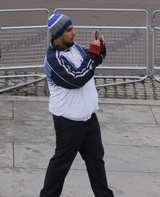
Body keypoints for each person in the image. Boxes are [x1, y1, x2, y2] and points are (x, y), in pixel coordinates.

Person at [40, 13, 113, 197]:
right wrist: (93, 54)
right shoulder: (53, 60)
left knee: (96, 161)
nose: (74, 32)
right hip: (69, 121)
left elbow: (93, 62)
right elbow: (76, 79)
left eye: (73, 28)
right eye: (69, 30)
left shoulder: (78, 49)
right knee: (61, 165)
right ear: (58, 35)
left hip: (88, 118)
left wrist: (100, 49)